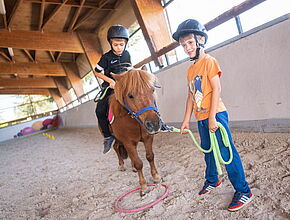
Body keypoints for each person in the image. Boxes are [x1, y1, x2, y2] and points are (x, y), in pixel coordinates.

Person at [172, 19, 253, 211]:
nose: (187, 48)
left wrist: (212, 117)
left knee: (227, 152)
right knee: (207, 151)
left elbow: (216, 88)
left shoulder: (209, 62)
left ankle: (244, 191)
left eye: (190, 43)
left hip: (216, 115)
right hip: (201, 118)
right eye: (184, 45)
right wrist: (185, 121)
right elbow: (191, 96)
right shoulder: (190, 69)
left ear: (200, 40)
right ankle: (212, 180)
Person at [94, 24, 132, 154]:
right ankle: (108, 137)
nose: (119, 47)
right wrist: (110, 81)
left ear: (125, 43)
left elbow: (129, 69)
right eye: (116, 44)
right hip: (110, 87)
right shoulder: (106, 57)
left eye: (121, 44)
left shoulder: (127, 54)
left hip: (125, 85)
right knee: (99, 110)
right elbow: (97, 72)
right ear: (111, 43)